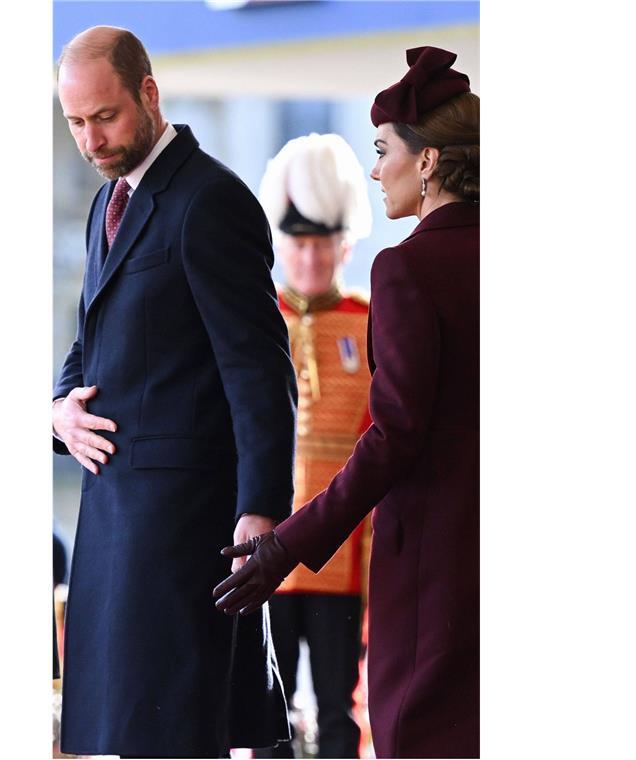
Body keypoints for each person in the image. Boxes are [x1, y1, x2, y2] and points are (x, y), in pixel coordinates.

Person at [213, 46, 480, 758]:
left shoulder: (403, 273)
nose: (374, 167)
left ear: (426, 162)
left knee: (368, 722)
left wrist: (284, 546)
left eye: (383, 149)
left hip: (398, 562)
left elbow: (392, 437)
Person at [51, 26, 297, 758]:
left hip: (184, 537)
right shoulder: (107, 205)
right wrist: (58, 409)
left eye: (106, 118)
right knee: (132, 740)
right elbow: (90, 337)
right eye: (75, 123)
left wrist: (260, 512)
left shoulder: (210, 200)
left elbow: (260, 369)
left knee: (182, 739)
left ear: (149, 95)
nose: (91, 140)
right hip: (118, 528)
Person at [254, 133, 373, 759]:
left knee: (337, 707)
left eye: (321, 242)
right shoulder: (258, 321)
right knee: (265, 714)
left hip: (341, 557)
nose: (309, 257)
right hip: (266, 551)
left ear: (343, 245)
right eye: (298, 243)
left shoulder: (369, 320)